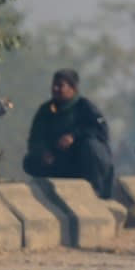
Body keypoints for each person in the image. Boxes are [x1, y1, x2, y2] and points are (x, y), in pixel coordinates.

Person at [23, 69, 114, 199]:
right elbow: (34, 138)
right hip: (58, 160)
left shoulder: (85, 107)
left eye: (60, 85)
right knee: (29, 160)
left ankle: (95, 190)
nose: (55, 89)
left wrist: (73, 136)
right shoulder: (45, 110)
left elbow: (101, 131)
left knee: (91, 146)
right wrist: (43, 151)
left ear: (73, 88)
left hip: (82, 161)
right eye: (54, 85)